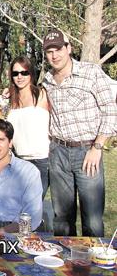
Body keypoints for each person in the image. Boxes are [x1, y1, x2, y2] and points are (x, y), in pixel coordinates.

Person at [41, 29, 117, 237]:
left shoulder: (91, 73)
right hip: (58, 152)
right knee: (62, 217)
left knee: (92, 218)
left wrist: (98, 147)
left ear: (69, 49)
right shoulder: (47, 80)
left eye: (58, 49)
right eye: (49, 51)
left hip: (87, 151)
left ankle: (93, 267)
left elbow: (110, 110)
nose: (54, 55)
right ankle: (66, 264)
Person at [6, 55, 50, 199]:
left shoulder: (42, 94)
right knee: (18, 206)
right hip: (18, 161)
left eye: (24, 72)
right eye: (15, 73)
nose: (20, 76)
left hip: (41, 161)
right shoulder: (12, 99)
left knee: (32, 204)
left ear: (31, 74)